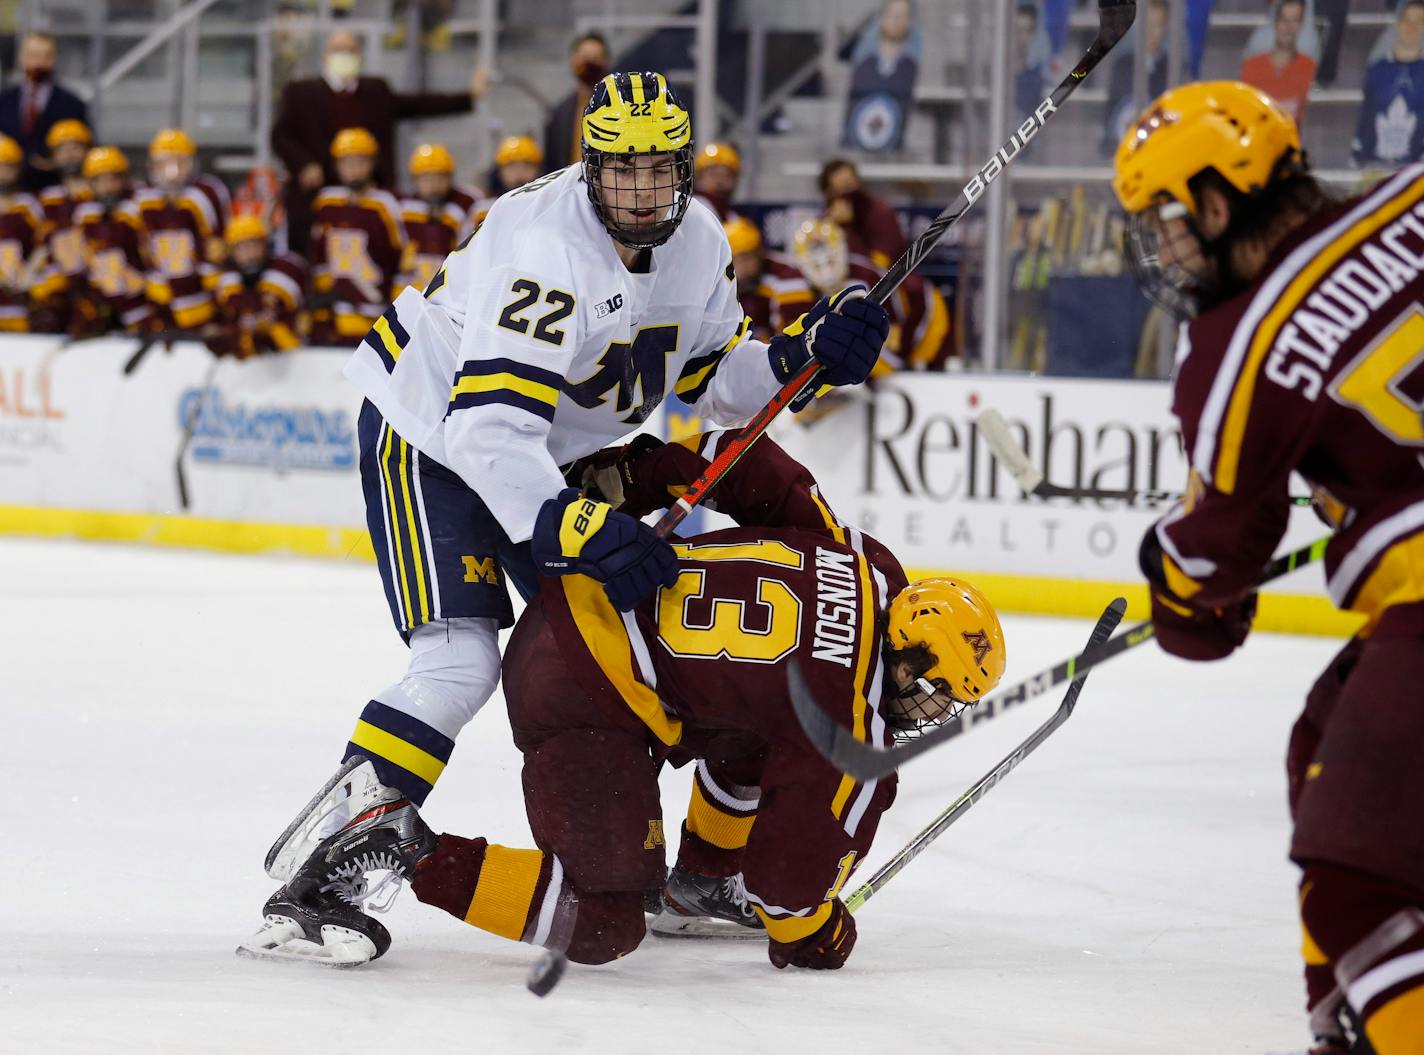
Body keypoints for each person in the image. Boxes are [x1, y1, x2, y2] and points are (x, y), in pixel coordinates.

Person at [240, 71, 890, 964]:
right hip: (431, 434)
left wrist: (798, 354)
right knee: (459, 659)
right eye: (620, 172)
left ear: (685, 169)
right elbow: (488, 428)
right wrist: (573, 524)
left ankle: (701, 869)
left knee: (666, 622)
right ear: (589, 170)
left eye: (657, 169)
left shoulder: (699, 241)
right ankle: (332, 865)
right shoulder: (542, 247)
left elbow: (711, 381)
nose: (639, 191)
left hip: (548, 450)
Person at [244, 428, 1006, 969]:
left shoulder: (865, 560)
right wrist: (816, 932)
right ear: (904, 661)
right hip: (580, 689)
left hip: (593, 594)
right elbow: (785, 886)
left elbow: (750, 462)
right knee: (605, 920)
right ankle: (408, 844)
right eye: (934, 694)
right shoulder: (850, 724)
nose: (930, 714)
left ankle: (702, 878)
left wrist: (640, 474)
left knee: (762, 728)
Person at [1114, 80, 1424, 1054]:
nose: (1162, 248)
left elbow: (1207, 573)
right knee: (1322, 737)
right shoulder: (1409, 193)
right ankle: (1345, 1017)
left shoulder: (1236, 344)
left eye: (1166, 221)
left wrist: (1168, 576)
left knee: (1352, 879)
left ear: (1215, 202)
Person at [270, 28, 488, 254]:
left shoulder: (375, 91)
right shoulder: (301, 92)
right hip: (317, 199)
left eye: (350, 50)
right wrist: (303, 164)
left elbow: (417, 104)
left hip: (368, 200)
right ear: (325, 54)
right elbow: (279, 136)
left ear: (361, 55)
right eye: (338, 50)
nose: (344, 55)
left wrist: (468, 97)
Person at [793, 217, 951, 371]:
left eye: (830, 261)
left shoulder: (868, 277)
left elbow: (894, 340)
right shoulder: (798, 288)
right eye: (816, 265)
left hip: (927, 314)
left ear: (842, 251)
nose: (826, 272)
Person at [308, 127, 405, 346]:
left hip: (374, 306)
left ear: (372, 163)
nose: (353, 170)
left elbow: (401, 255)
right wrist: (323, 290)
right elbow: (319, 252)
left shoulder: (386, 204)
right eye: (347, 163)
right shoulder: (326, 201)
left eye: (360, 162)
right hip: (335, 307)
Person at [134, 129, 230, 334]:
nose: (172, 171)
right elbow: (140, 245)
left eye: (180, 162)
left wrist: (214, 288)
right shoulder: (142, 197)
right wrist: (152, 278)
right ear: (152, 166)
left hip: (201, 292)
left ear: (192, 163)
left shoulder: (205, 193)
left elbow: (217, 245)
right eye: (163, 164)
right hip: (161, 291)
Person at [70, 146, 150, 337]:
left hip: (137, 299)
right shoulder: (84, 214)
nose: (108, 186)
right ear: (90, 183)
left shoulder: (138, 210)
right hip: (101, 298)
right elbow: (82, 260)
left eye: (113, 178)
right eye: (100, 180)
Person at [206, 214, 308, 358]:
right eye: (241, 248)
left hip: (297, 358)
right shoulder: (227, 279)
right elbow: (234, 313)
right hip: (254, 365)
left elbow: (271, 304)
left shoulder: (284, 270)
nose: (249, 253)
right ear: (231, 252)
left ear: (265, 244)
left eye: (253, 244)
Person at [0, 32, 88, 193]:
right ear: (22, 58)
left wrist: (59, 161)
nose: (39, 63)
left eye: (47, 56)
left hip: (58, 191)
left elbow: (87, 146)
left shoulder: (72, 104)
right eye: (34, 55)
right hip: (9, 193)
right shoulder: (3, 101)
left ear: (55, 59)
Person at [30, 118, 91, 332]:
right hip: (61, 286)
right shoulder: (47, 198)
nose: (69, 154)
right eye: (62, 149)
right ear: (53, 156)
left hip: (98, 284)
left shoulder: (102, 193)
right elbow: (41, 247)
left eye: (75, 147)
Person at [842, 0, 921, 153]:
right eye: (893, 14)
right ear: (881, 17)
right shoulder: (864, 64)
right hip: (858, 141)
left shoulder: (910, 67)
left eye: (903, 15)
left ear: (910, 21)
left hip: (894, 145)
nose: (897, 20)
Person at [1352, 0, 1424, 166]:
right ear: (1398, 23)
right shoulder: (1376, 70)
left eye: (1420, 21)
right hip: (1374, 164)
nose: (1412, 27)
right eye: (1407, 20)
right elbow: (1365, 117)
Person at [398, 143, 476, 296]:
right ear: (415, 180)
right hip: (412, 287)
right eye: (426, 178)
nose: (433, 184)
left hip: (448, 291)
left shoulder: (466, 205)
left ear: (450, 177)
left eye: (440, 177)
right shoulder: (404, 208)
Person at [724, 215, 814, 342]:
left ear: (760, 253)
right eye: (732, 259)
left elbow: (797, 342)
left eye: (745, 257)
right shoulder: (723, 275)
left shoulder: (788, 279)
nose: (739, 267)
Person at [1101, 0, 1169, 156]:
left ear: (1165, 27)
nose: (1151, 31)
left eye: (1156, 25)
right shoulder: (1122, 66)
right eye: (1147, 24)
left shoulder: (1173, 69)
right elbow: (1112, 112)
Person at [542, 32, 611, 171]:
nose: (590, 63)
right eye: (585, 58)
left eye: (596, 58)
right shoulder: (559, 113)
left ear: (607, 62)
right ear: (573, 61)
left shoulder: (619, 108)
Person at [1240, 0, 1317, 125]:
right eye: (1284, 20)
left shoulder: (1308, 66)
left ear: (1301, 25)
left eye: (1295, 20)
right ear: (1275, 23)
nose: (1288, 27)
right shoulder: (1253, 65)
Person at [0, 134, 42, 331]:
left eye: (7, 167)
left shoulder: (29, 206)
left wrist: (31, 274)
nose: (2, 173)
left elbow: (43, 247)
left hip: (18, 301)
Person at [693, 141, 741, 222]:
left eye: (727, 176)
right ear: (699, 177)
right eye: (714, 174)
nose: (719, 181)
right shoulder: (693, 207)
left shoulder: (731, 215)